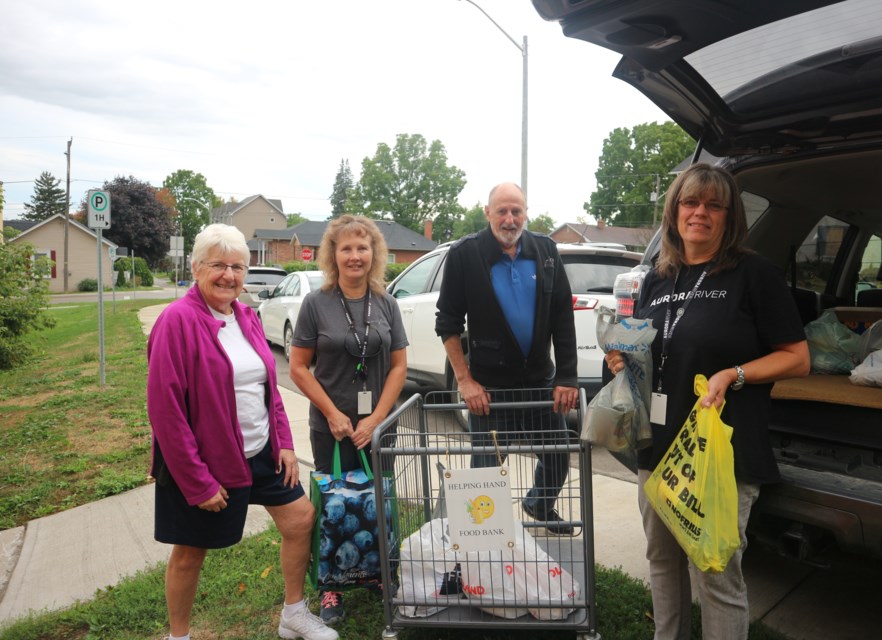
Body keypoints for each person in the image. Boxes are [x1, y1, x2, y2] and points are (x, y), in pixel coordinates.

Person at [605, 163, 810, 639]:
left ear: (728, 216)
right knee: (661, 561)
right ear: (674, 212)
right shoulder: (655, 278)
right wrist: (622, 358)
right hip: (656, 449)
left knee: (715, 572)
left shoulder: (753, 274)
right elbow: (646, 350)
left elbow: (797, 358)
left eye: (713, 205)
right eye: (690, 202)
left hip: (719, 454)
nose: (700, 213)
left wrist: (733, 374)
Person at [147, 224, 337, 640]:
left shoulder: (246, 317)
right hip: (207, 462)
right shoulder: (176, 322)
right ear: (196, 267)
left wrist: (284, 444)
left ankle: (293, 613)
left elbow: (268, 390)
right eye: (218, 265)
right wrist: (198, 483)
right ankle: (178, 636)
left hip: (261, 452)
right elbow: (166, 412)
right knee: (190, 552)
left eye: (237, 267)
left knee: (300, 519)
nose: (229, 276)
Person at [435, 182, 579, 535]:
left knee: (558, 458)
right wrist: (466, 381)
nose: (510, 219)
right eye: (502, 211)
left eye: (517, 211)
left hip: (540, 387)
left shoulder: (545, 251)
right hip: (490, 394)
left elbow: (562, 316)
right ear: (488, 213)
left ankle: (539, 504)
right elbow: (447, 324)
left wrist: (568, 377)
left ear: (526, 213)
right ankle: (484, 539)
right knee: (485, 472)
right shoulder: (465, 255)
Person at [289, 214, 408, 625]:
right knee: (333, 502)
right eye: (346, 248)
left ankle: (377, 573)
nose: (355, 256)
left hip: (375, 429)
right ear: (333, 255)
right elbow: (299, 367)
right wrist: (333, 414)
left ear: (373, 254)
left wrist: (376, 418)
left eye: (362, 248)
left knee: (378, 501)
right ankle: (331, 586)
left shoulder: (387, 303)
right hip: (331, 427)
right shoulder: (315, 304)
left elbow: (398, 367)